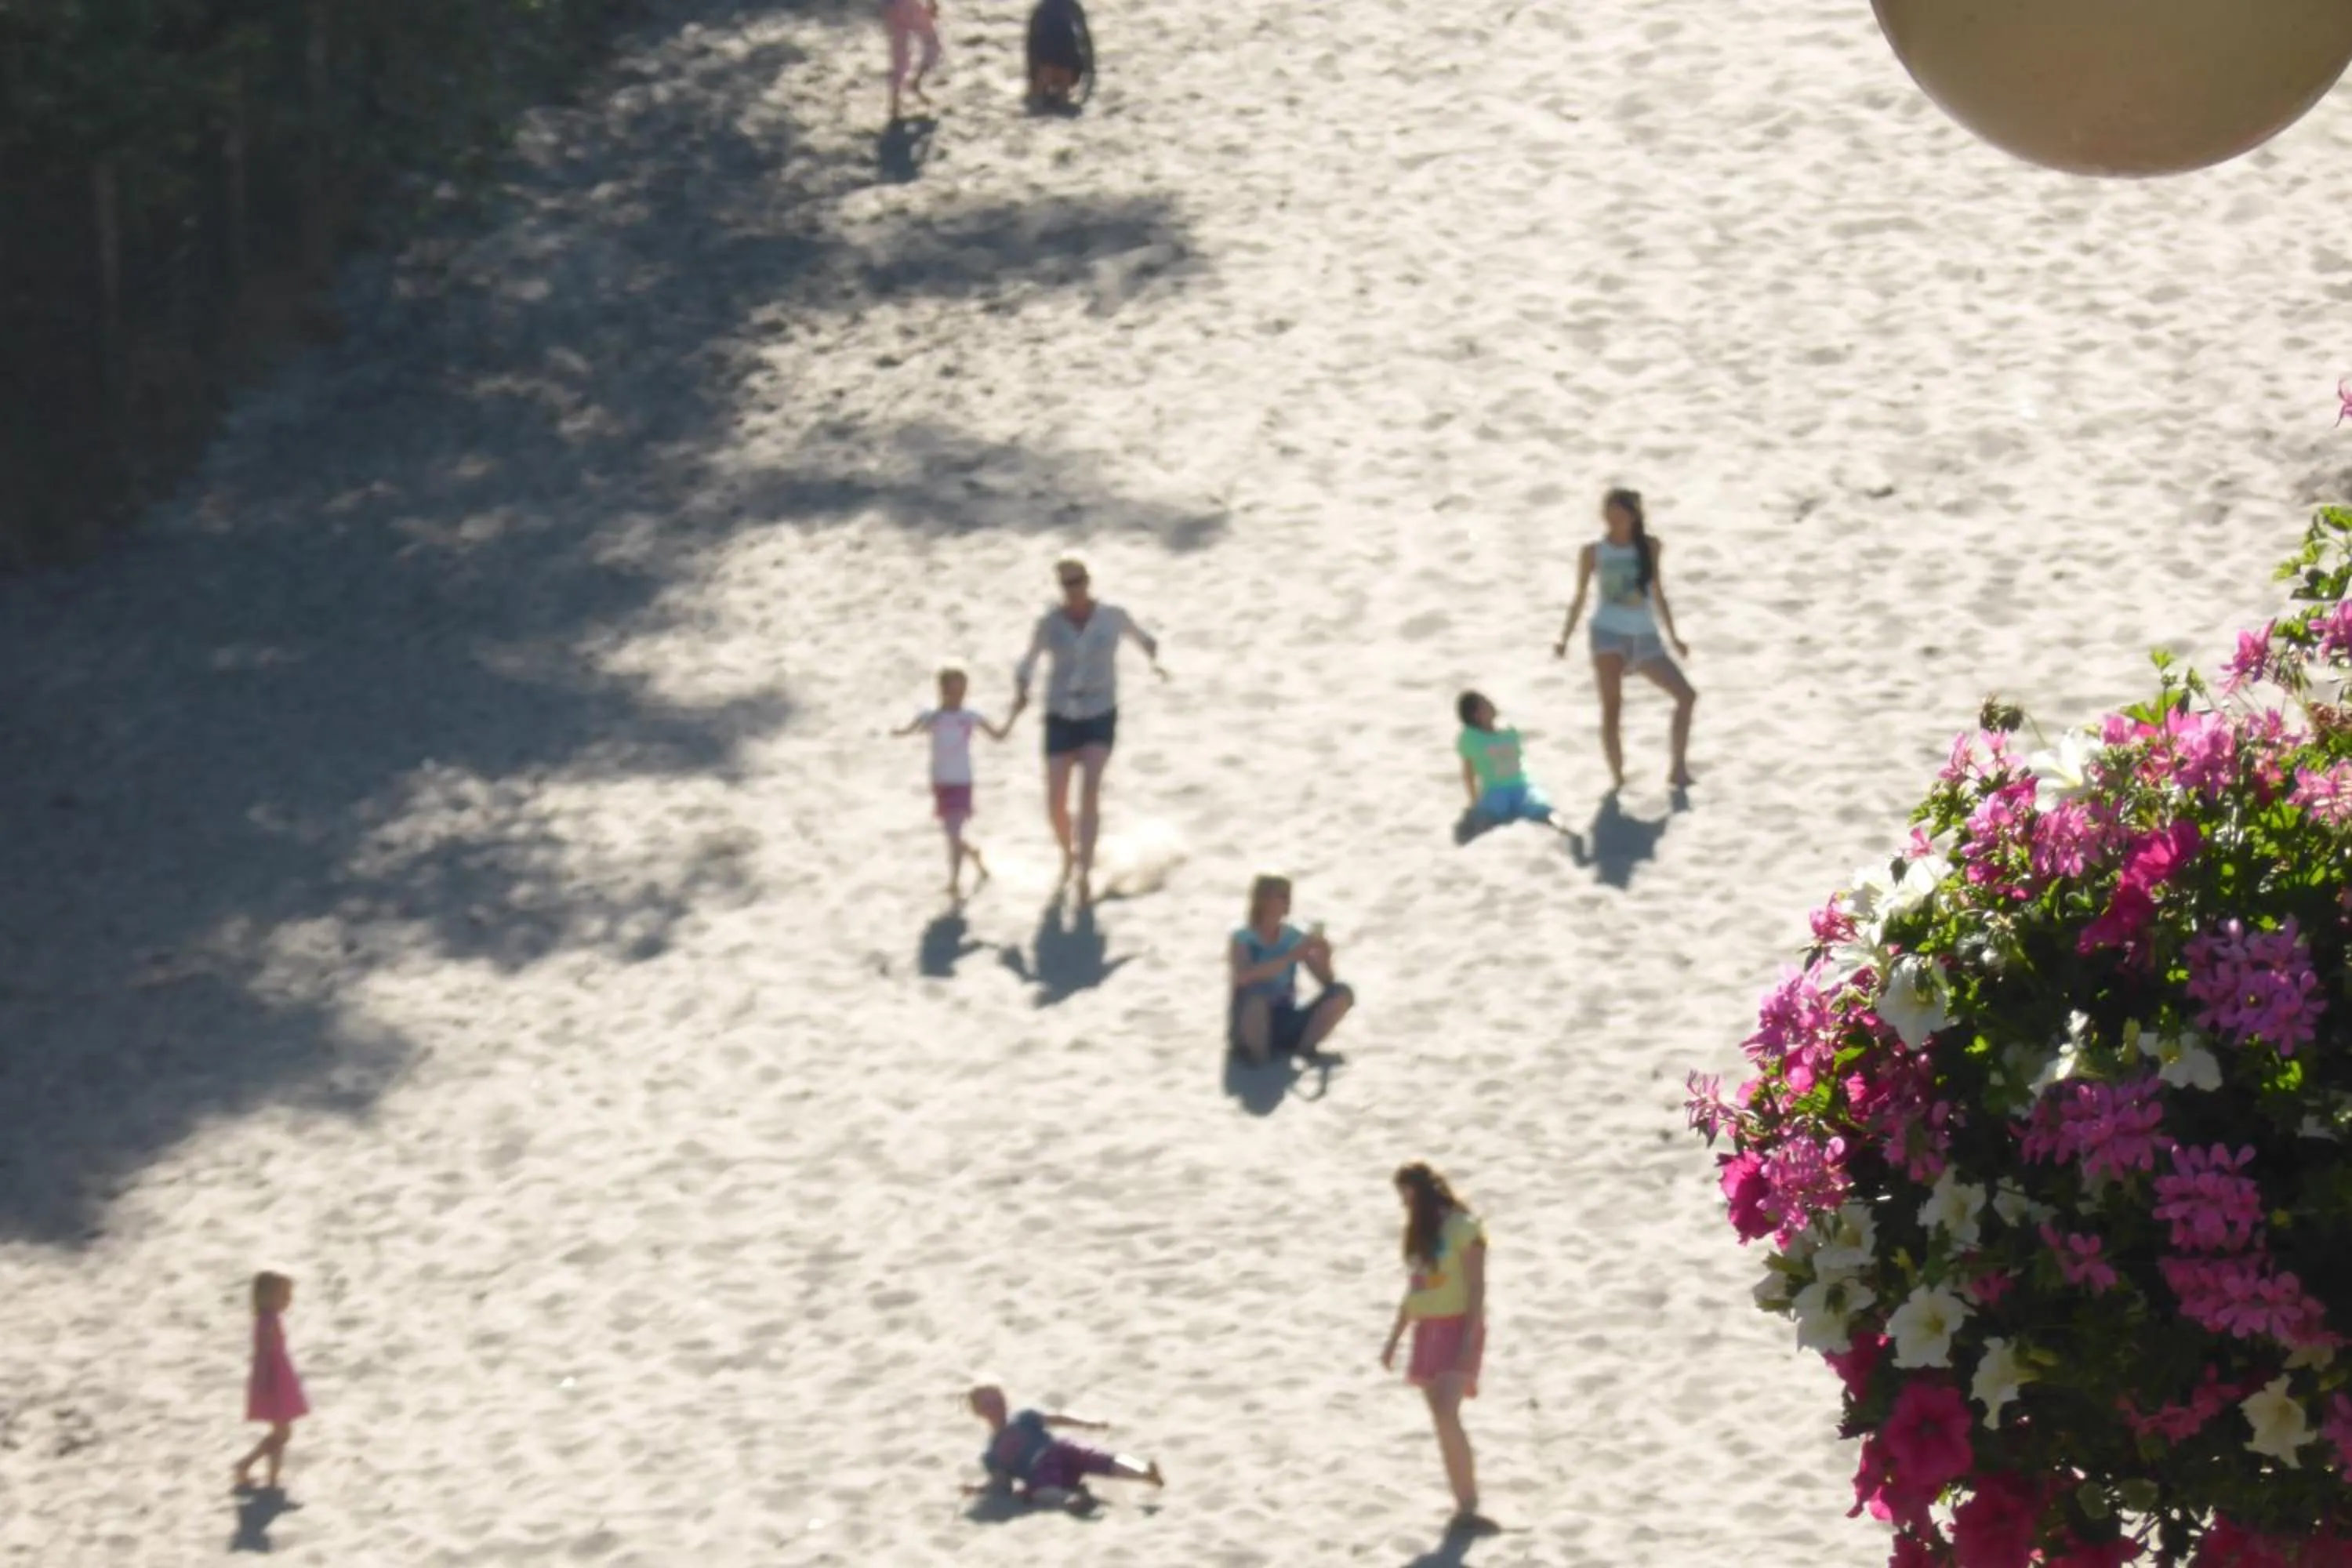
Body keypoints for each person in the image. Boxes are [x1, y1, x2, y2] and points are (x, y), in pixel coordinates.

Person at [1009, 555, 1167, 903]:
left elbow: (1145, 639)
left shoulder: (1112, 617)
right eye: (1067, 583)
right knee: (1055, 801)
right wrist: (1021, 691)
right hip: (1060, 714)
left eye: (1079, 580)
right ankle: (1069, 853)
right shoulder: (1050, 624)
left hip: (1099, 711)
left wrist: (1157, 663)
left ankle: (1084, 871)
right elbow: (1027, 662)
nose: (1075, 588)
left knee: (1091, 789)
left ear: (1088, 580)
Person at [1552, 487, 1697, 790]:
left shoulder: (1651, 546)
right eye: (1608, 512)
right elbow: (1579, 597)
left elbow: (1658, 592)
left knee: (1686, 695)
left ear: (1633, 516)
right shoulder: (1593, 552)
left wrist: (1674, 637)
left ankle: (1678, 769)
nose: (1613, 519)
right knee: (1613, 707)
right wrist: (1564, 637)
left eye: (1620, 513)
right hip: (1608, 635)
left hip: (1645, 637)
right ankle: (1618, 778)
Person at [1379, 1164, 1492, 1530]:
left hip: (1458, 1326)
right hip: (1426, 1330)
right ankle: (1463, 1503)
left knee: (1447, 1411)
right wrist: (1394, 1339)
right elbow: (1415, 1291)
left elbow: (1477, 1287)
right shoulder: (1418, 1235)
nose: (1405, 1205)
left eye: (1408, 1196)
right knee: (1441, 1420)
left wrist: (1468, 1338)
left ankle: (1470, 1502)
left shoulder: (1463, 1228)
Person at [892, 662, 1015, 900]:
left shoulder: (970, 716)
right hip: (940, 782)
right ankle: (975, 857)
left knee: (953, 832)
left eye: (962, 688)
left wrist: (1014, 713)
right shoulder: (931, 716)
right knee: (952, 834)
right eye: (952, 688)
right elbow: (909, 729)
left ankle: (955, 883)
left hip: (961, 781)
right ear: (942, 689)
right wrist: (897, 731)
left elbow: (999, 736)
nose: (958, 694)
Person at [963, 1384, 1165, 1506]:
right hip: (1039, 1472)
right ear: (979, 1413)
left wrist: (1087, 1423)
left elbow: (1057, 1419)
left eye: (998, 1401)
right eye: (988, 1405)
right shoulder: (991, 1452)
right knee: (1040, 1491)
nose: (996, 1407)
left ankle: (1145, 1472)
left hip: (1059, 1450)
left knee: (1097, 1456)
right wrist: (979, 1489)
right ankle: (1072, 1499)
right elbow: (1001, 1482)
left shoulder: (1023, 1417)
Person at [1229, 873, 1354, 1065]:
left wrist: (1325, 957)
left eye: (1288, 895)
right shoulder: (1243, 938)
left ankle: (1305, 1048)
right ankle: (1258, 1056)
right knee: (1257, 994)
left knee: (1342, 993)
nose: (1288, 901)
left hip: (1285, 1017)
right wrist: (1291, 957)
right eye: (1281, 896)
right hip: (1249, 1022)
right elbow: (1244, 977)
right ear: (1264, 899)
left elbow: (1327, 982)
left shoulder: (1292, 936)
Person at [1455, 691, 1577, 836]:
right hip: (1495, 789)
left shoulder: (1508, 732)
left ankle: (1563, 829)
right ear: (1477, 715)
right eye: (1485, 703)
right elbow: (1468, 774)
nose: (1491, 703)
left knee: (1542, 809)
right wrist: (1474, 801)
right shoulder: (1472, 739)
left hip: (1520, 786)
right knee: (1489, 814)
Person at [233, 1272, 309, 1494]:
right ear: (268, 1297)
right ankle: (246, 1465)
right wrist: (267, 1385)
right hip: (274, 1381)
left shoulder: (270, 1319)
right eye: (283, 1296)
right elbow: (264, 1353)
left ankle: (273, 1478)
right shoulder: (267, 1321)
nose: (288, 1301)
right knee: (282, 1433)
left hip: (279, 1377)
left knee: (281, 1432)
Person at [1025, 0, 1094, 111]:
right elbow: (1086, 40)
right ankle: (1048, 96)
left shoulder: (1067, 8)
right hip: (1048, 55)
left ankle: (1054, 96)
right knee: (1051, 70)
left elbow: (1085, 39)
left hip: (1063, 55)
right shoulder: (1045, 9)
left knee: (1058, 69)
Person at [881, 0, 942, 123]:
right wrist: (932, 3)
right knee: (932, 44)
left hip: (890, 7)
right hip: (909, 6)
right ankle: (916, 82)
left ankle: (895, 105)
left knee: (899, 53)